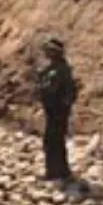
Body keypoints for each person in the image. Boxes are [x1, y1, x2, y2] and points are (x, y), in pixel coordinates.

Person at [37, 37, 78, 182]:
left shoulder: (57, 71)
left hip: (57, 112)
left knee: (53, 141)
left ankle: (56, 172)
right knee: (56, 141)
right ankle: (59, 171)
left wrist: (41, 81)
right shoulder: (59, 68)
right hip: (57, 111)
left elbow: (50, 89)